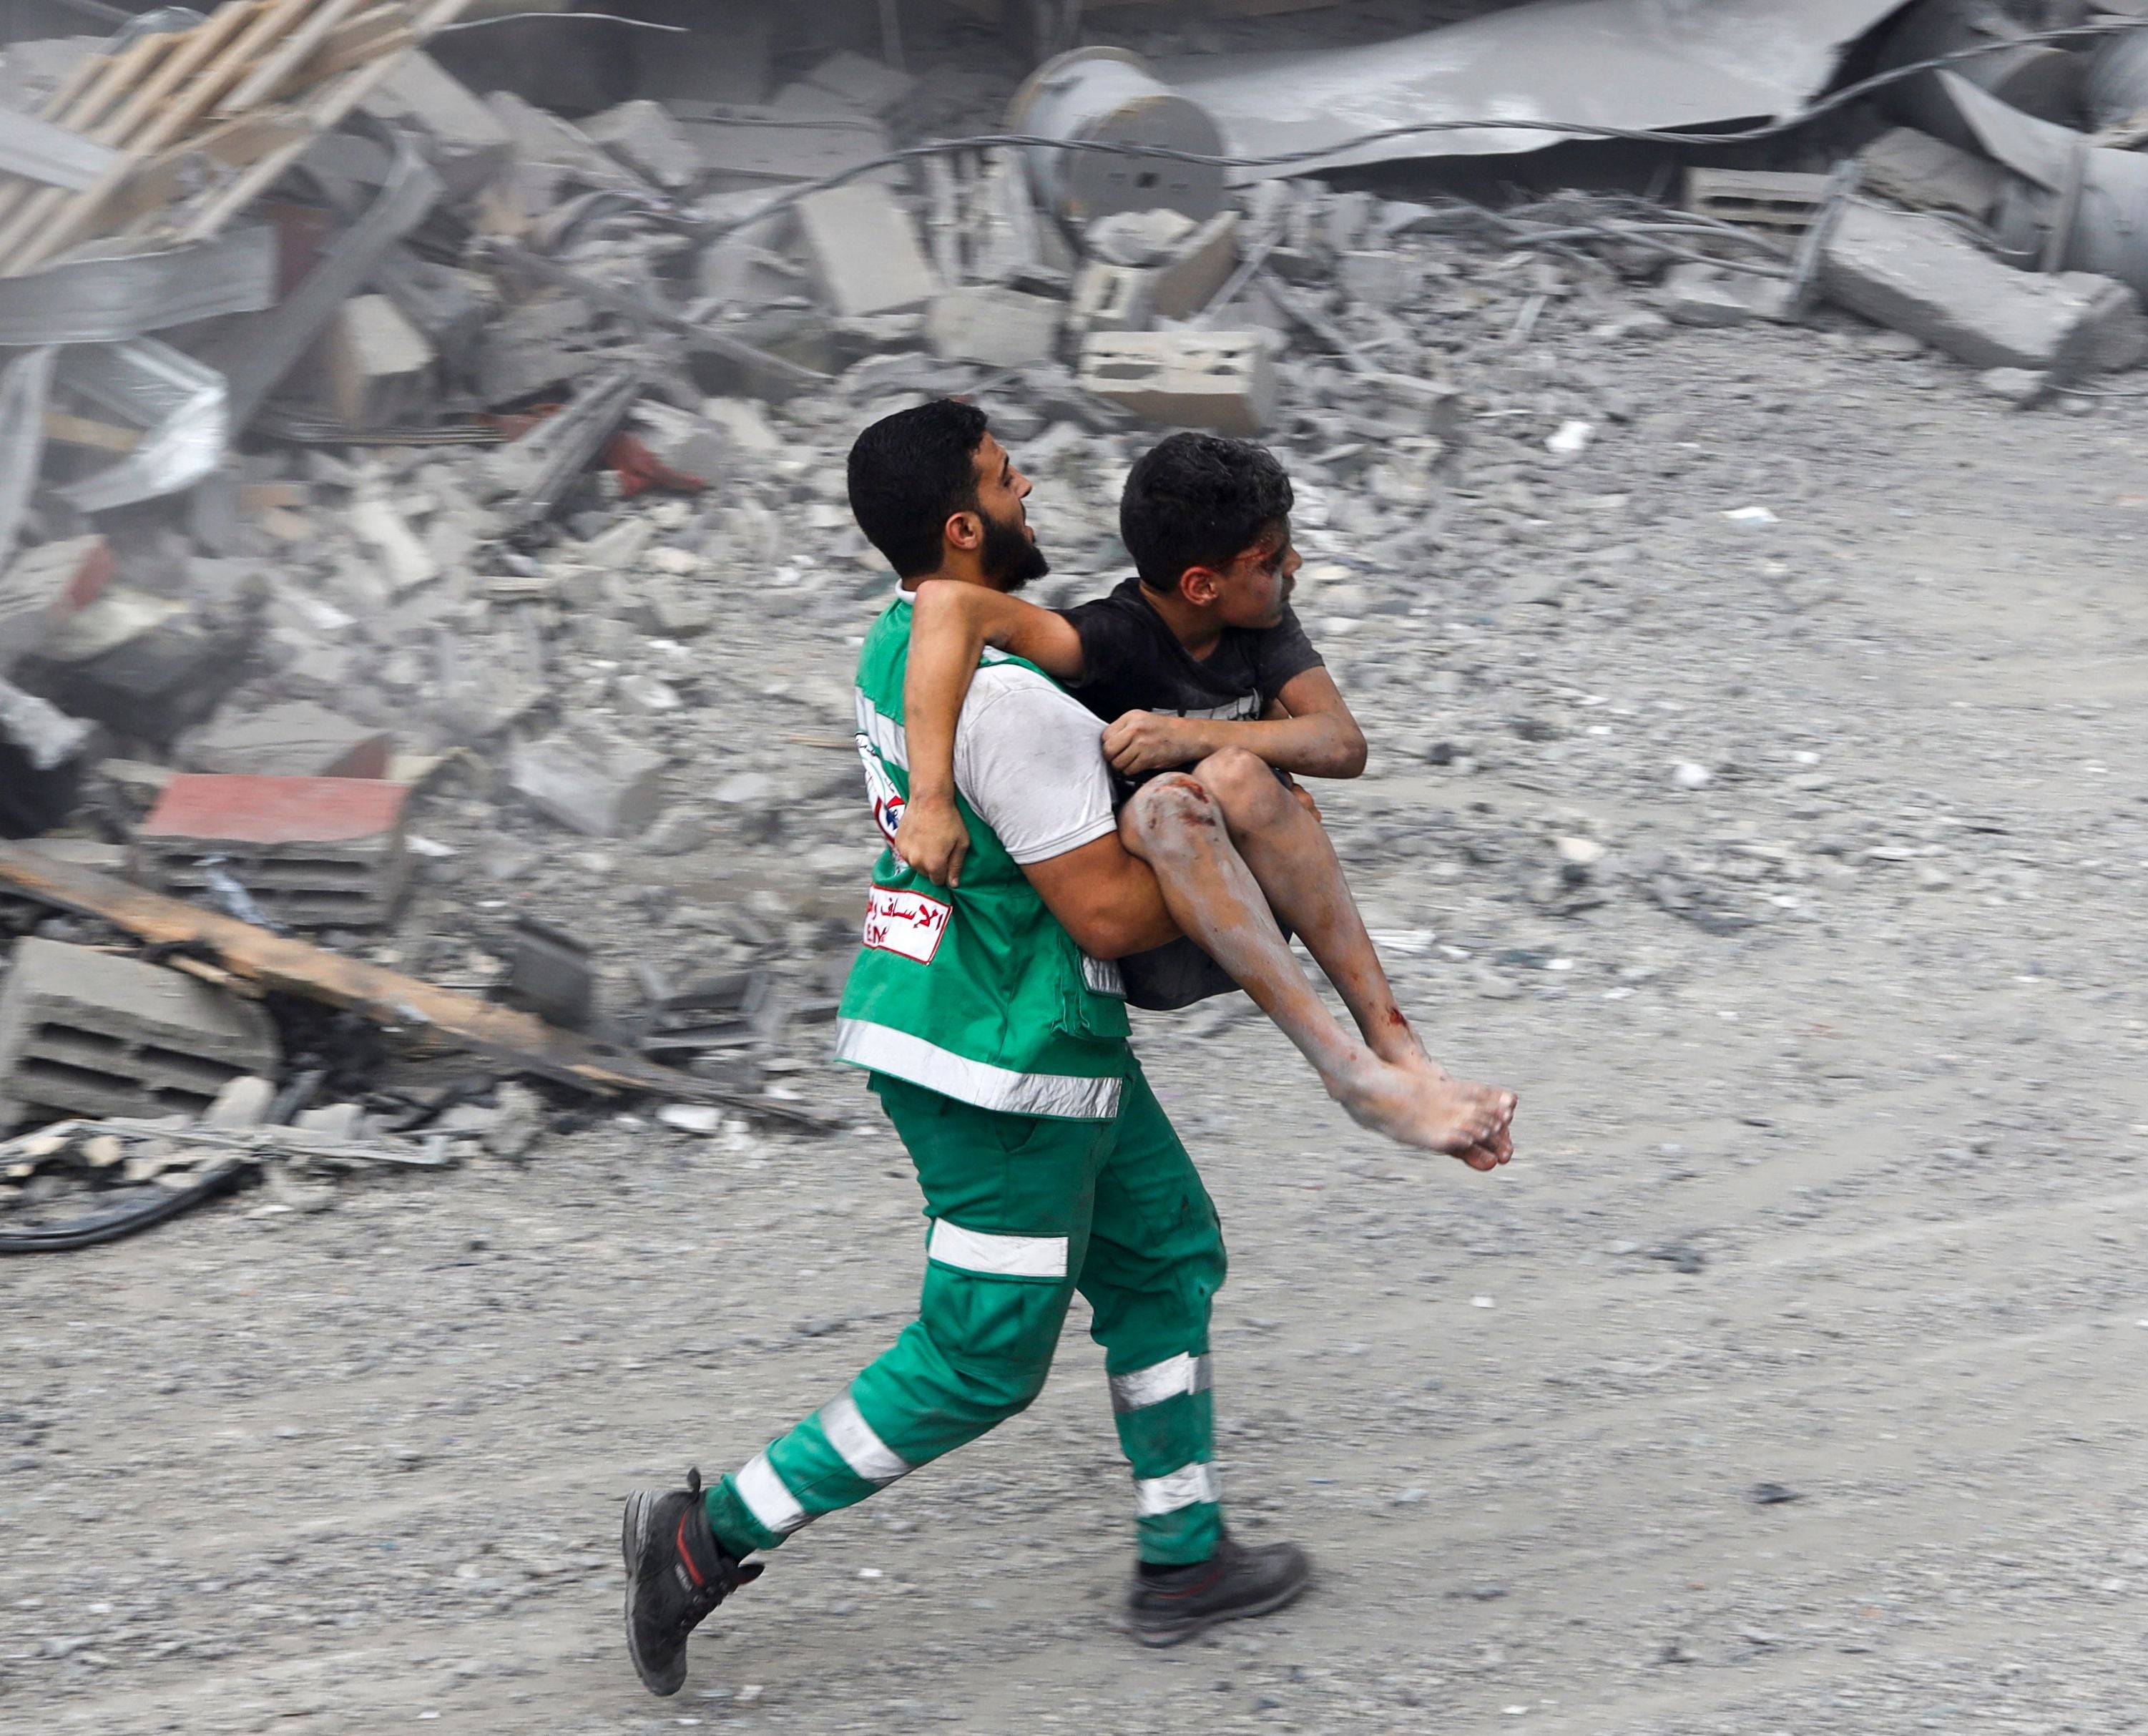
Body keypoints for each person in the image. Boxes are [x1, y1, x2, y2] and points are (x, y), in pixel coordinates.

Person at [620, 401, 1515, 1700]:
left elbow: (960, 670)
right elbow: (1100, 907)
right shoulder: (1017, 710)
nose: (1034, 485)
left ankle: (1184, 1554)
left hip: (1028, 1029)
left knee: (1163, 1257)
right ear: (967, 525)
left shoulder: (900, 647)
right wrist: (1236, 868)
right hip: (996, 1053)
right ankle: (704, 1539)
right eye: (1005, 475)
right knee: (982, 1353)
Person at [894, 431, 1502, 1153]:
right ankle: (1347, 1075)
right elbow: (944, 607)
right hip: (1155, 942)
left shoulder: (1257, 625)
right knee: (1168, 800)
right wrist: (927, 800)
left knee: (1234, 773)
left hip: (1255, 922)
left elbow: (1341, 744)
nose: (1294, 567)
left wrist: (1190, 735)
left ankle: (1398, 1053)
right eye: (1271, 561)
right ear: (1200, 585)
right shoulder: (1112, 637)